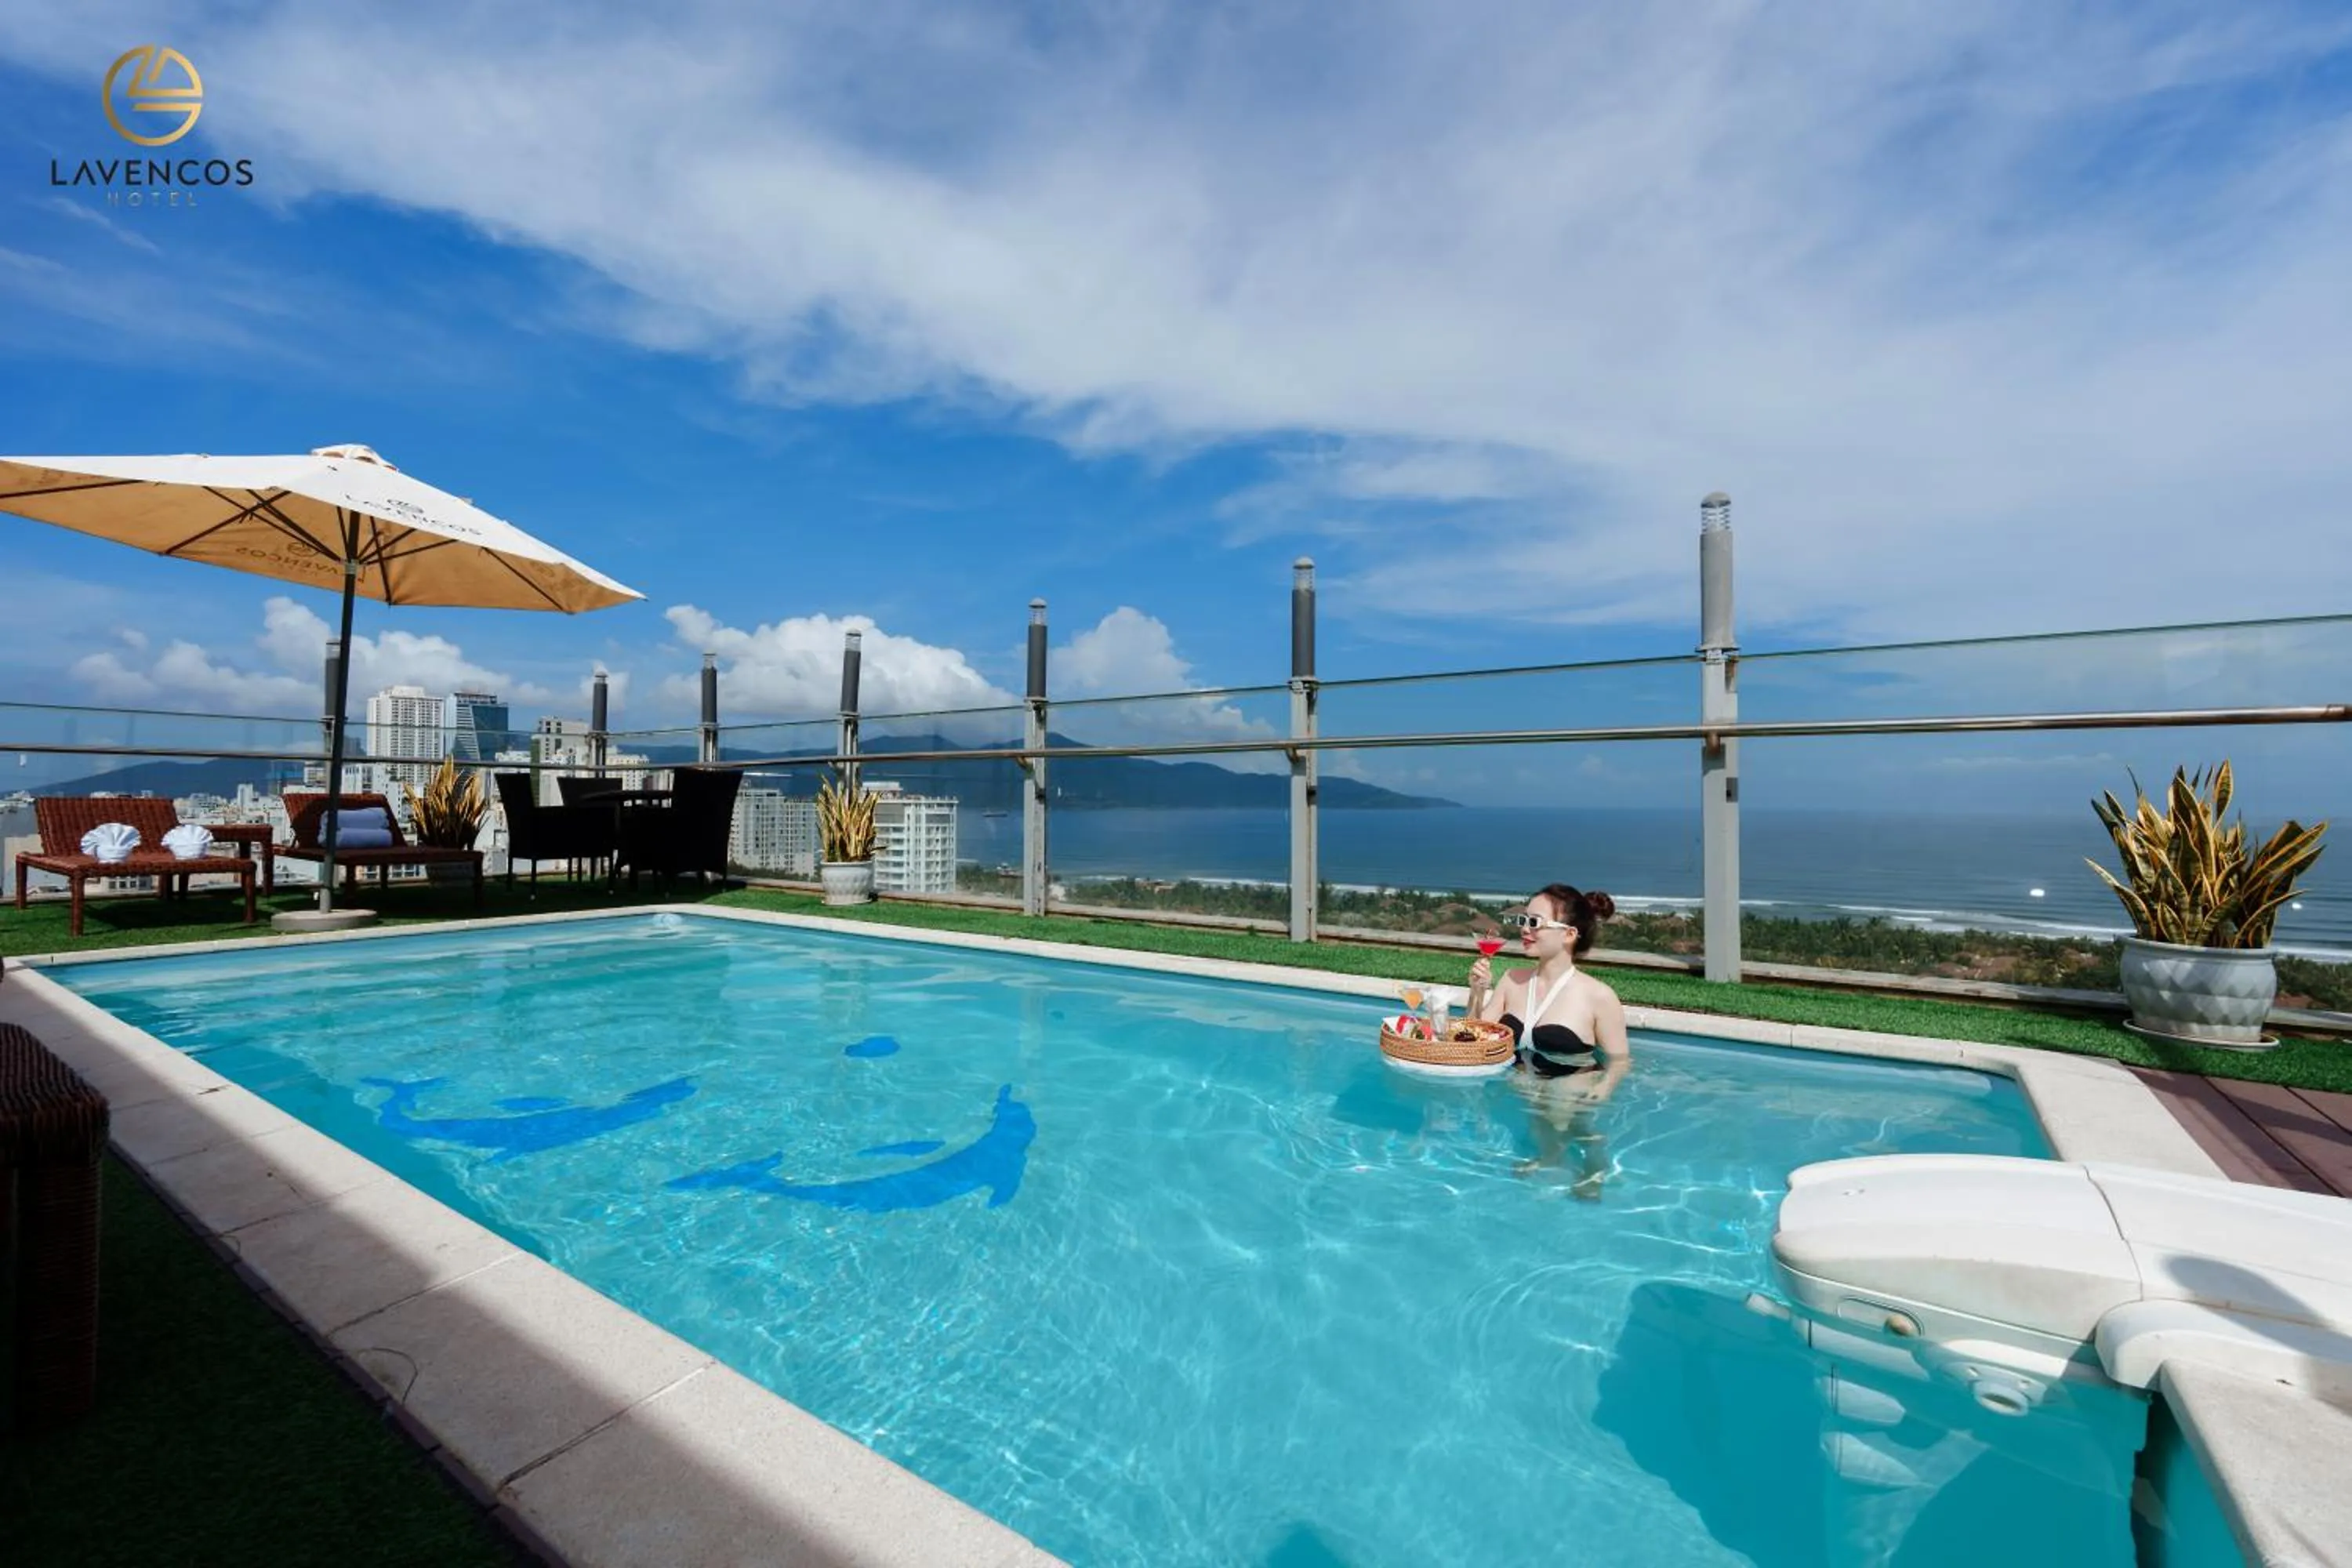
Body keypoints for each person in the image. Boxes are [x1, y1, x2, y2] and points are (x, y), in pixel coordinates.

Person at [1467, 884, 1630, 1196]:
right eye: (1523, 920)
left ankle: (1590, 1157)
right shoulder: (1512, 980)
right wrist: (1477, 991)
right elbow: (1476, 1036)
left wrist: (1606, 1088)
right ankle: (1557, 1152)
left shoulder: (1598, 996)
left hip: (1571, 1081)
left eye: (1534, 922)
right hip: (1523, 1077)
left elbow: (1620, 1060)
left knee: (1558, 1101)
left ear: (1568, 935)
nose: (1524, 930)